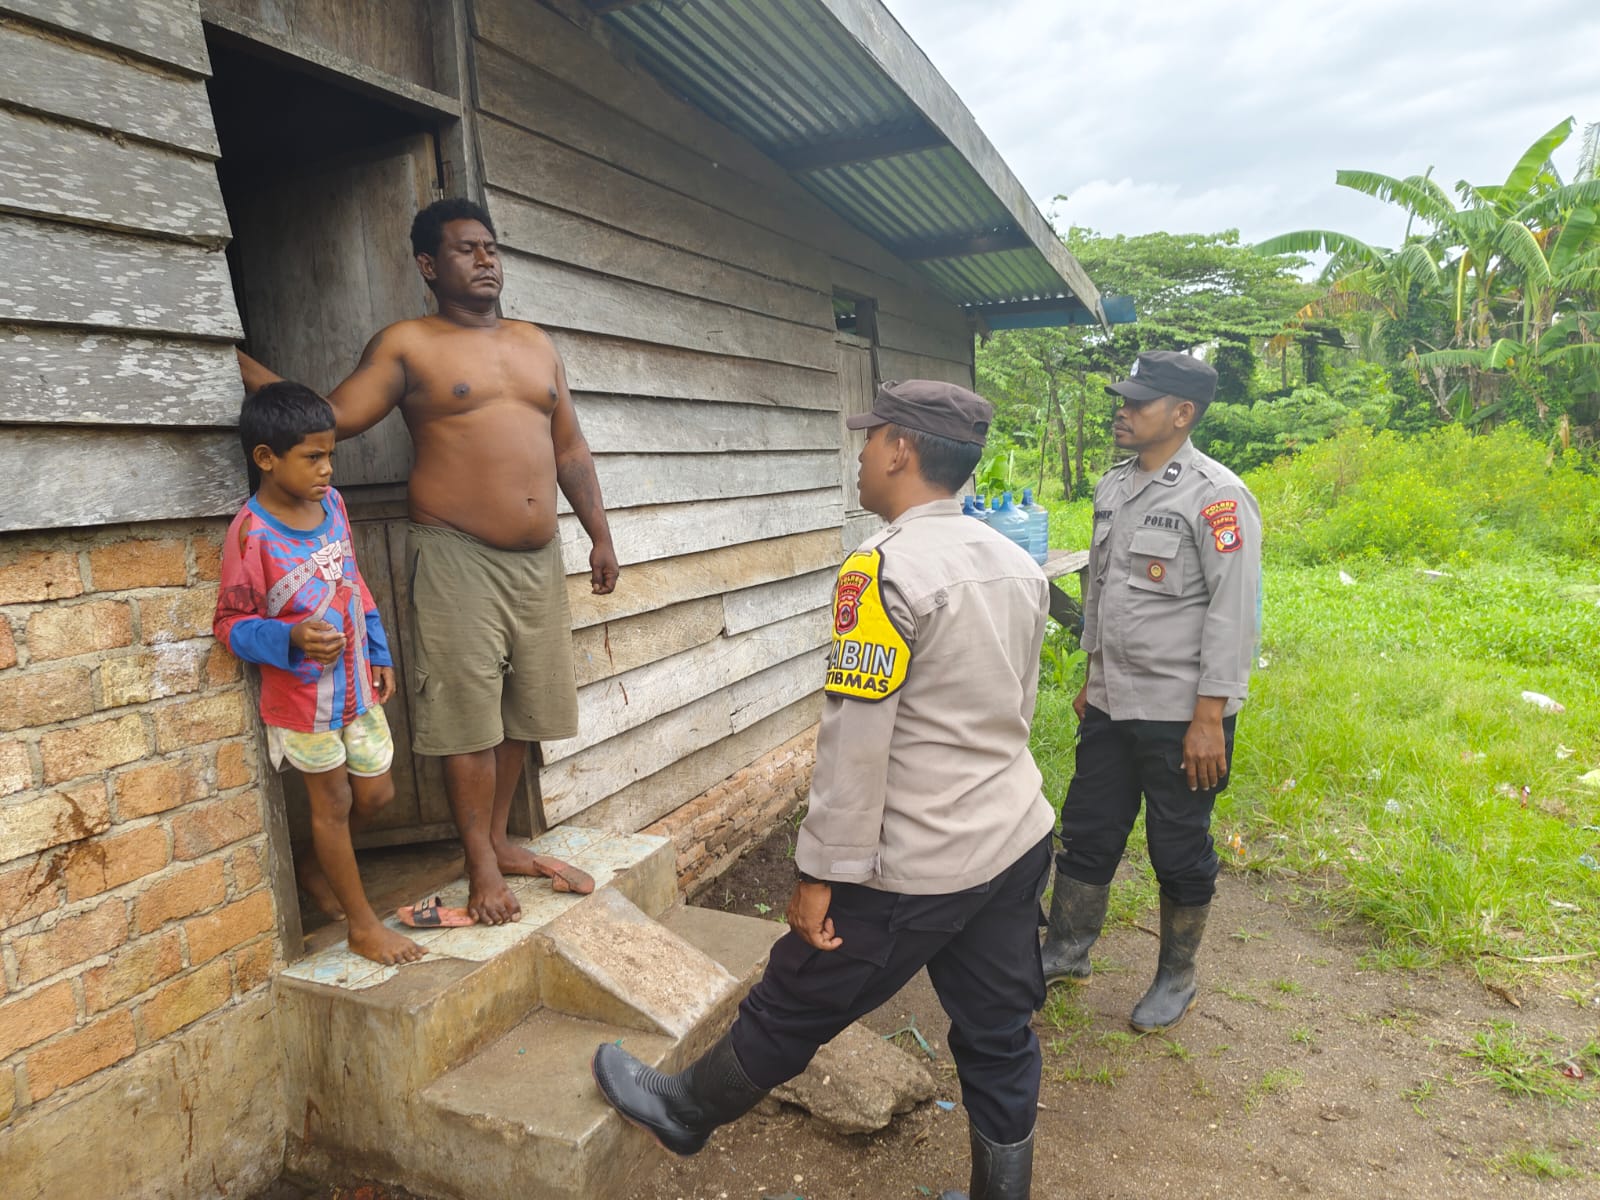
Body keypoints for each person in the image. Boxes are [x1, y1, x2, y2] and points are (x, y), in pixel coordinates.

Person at [593, 380, 1054, 1200]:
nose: (862, 454)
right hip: (1011, 839)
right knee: (998, 1031)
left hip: (915, 860)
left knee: (797, 996)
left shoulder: (881, 572)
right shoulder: (1014, 561)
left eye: (869, 438)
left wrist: (817, 877)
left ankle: (685, 1112)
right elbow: (1018, 705)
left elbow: (854, 745)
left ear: (901, 450)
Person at [237, 198, 617, 925]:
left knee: (519, 712)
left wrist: (599, 533)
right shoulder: (409, 343)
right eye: (466, 249)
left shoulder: (538, 344)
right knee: (467, 716)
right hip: (456, 552)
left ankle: (501, 840)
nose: (484, 260)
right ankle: (480, 866)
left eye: (491, 248)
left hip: (538, 560)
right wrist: (226, 349)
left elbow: (569, 448)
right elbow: (331, 418)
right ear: (427, 264)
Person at [1040, 350, 1261, 1033]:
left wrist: (1208, 718)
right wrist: (1089, 677)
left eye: (1139, 403)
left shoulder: (1216, 497)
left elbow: (1234, 611)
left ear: (1182, 414)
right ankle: (1066, 951)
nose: (1123, 411)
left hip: (1181, 715)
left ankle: (1176, 975)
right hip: (1111, 703)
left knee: (1178, 846)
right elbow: (1102, 594)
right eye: (1124, 401)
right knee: (1088, 830)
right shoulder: (1113, 487)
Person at [214, 382, 421, 965]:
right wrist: (289, 636)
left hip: (356, 686)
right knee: (329, 805)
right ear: (266, 458)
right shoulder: (251, 535)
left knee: (377, 794)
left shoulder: (333, 507)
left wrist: (378, 649)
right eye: (313, 457)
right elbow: (229, 622)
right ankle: (362, 926)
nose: (327, 469)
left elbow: (353, 583)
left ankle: (315, 863)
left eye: (330, 455)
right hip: (302, 701)